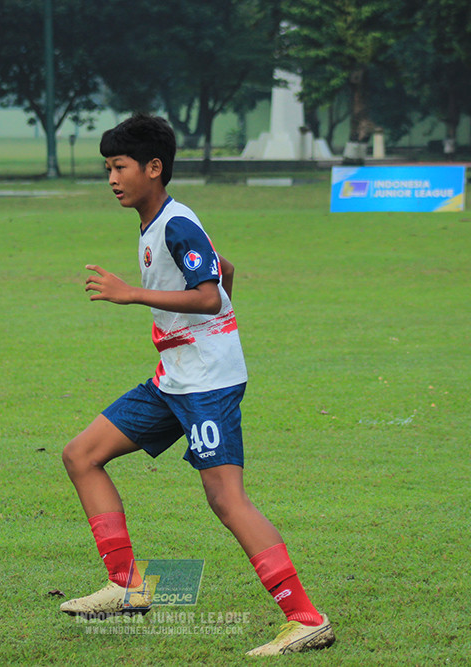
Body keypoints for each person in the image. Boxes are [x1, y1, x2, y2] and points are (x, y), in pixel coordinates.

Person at [59, 115, 335, 656]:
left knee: (226, 499)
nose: (111, 178)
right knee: (81, 455)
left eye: (119, 167)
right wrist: (213, 334)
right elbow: (224, 270)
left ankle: (306, 618)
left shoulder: (175, 223)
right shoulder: (158, 221)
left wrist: (132, 294)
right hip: (175, 378)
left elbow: (210, 294)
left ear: (153, 168)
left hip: (207, 385)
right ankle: (126, 585)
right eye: (107, 168)